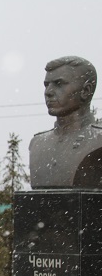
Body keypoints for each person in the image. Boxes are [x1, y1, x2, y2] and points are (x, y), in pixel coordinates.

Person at [29, 55, 102, 188]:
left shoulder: (98, 140)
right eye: (46, 85)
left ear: (86, 91)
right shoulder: (37, 143)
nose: (48, 92)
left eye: (59, 84)